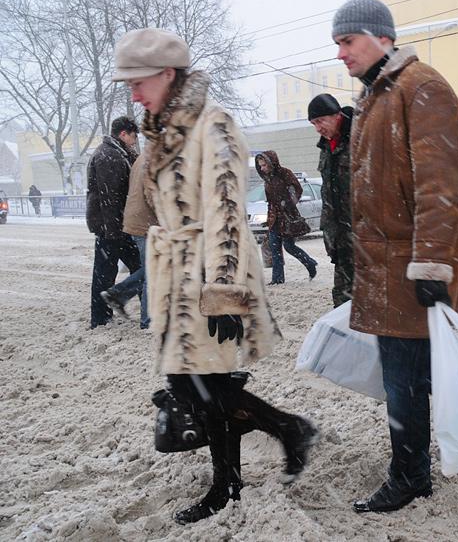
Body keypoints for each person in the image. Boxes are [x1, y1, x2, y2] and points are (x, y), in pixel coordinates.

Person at [112, 28, 317, 524]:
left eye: (138, 82)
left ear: (167, 74)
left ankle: (234, 478)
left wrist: (222, 292)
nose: (133, 93)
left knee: (208, 386)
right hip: (177, 275)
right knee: (198, 386)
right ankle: (285, 432)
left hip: (209, 270)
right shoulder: (164, 132)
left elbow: (227, 210)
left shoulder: (213, 124)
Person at [332, 0, 458, 512]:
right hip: (385, 267)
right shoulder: (375, 96)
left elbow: (442, 187)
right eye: (338, 44)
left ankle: (410, 476)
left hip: (411, 268)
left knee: (406, 384)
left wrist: (433, 263)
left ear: (381, 37)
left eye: (348, 41)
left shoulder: (421, 88)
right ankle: (412, 466)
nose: (341, 53)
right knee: (409, 380)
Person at [86, 116, 142, 329]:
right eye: (133, 136)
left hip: (115, 225)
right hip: (112, 227)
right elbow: (110, 198)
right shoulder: (108, 156)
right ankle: (101, 317)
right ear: (123, 134)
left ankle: (105, 313)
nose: (135, 141)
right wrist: (115, 231)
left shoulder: (118, 154)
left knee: (119, 270)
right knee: (106, 273)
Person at [100, 150, 157, 329]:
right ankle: (148, 321)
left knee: (153, 268)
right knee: (153, 271)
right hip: (147, 223)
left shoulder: (144, 156)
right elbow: (153, 195)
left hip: (139, 220)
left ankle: (118, 294)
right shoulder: (156, 157)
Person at [308, 93, 354, 307]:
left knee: (373, 306)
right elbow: (328, 196)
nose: (317, 128)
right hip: (342, 241)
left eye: (320, 121)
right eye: (313, 124)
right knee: (342, 302)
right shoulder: (326, 148)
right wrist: (331, 237)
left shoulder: (360, 138)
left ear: (336, 116)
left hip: (366, 240)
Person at [255, 151, 317, 284]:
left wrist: (288, 202)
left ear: (272, 162)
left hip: (287, 217)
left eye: (264, 165)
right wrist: (268, 219)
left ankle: (310, 263)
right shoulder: (268, 179)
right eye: (260, 166)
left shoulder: (285, 174)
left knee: (289, 246)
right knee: (274, 247)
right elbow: (270, 201)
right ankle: (277, 279)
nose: (262, 168)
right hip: (274, 218)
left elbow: (296, 189)